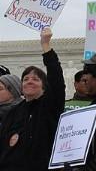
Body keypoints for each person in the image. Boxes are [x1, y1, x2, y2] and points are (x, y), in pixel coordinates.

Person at [0, 28, 65, 171]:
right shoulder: (13, 112)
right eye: (26, 79)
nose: (29, 81)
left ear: (44, 87)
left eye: (35, 79)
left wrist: (46, 45)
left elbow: (57, 80)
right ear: (21, 87)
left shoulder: (49, 106)